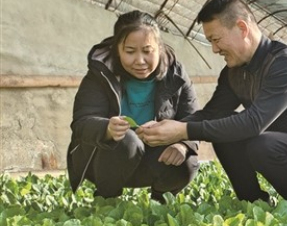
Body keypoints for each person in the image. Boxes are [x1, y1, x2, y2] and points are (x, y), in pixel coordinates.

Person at [138, 0, 287, 205]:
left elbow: (254, 123)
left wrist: (183, 131)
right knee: (224, 126)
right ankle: (253, 202)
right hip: (281, 145)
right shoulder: (233, 72)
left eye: (216, 40)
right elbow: (211, 114)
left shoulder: (286, 63)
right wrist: (170, 128)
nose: (214, 49)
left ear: (242, 28)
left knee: (261, 144)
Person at [68, 11, 200, 200]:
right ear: (117, 50)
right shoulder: (100, 74)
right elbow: (81, 123)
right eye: (130, 52)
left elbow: (193, 119)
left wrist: (183, 145)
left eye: (147, 51)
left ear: (159, 48)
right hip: (105, 164)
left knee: (187, 161)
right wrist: (106, 129)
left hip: (153, 160)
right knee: (127, 141)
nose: (140, 61)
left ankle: (161, 201)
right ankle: (107, 199)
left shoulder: (176, 74)